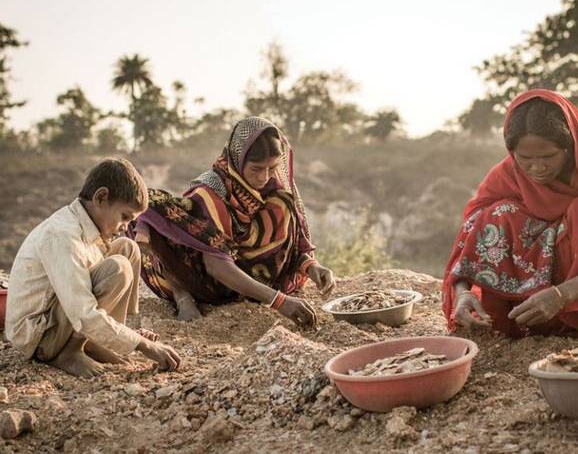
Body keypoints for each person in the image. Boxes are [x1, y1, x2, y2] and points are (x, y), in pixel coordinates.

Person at [443, 89, 578, 337]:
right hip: (527, 309)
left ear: (569, 147)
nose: (537, 168)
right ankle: (517, 319)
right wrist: (462, 292)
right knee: (497, 214)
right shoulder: (507, 175)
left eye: (548, 156)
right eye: (525, 158)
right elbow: (470, 239)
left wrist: (561, 295)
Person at [133, 116, 335, 325]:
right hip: (207, 276)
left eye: (272, 168)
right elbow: (216, 266)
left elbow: (292, 244)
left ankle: (253, 289)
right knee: (156, 218)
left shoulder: (274, 192)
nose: (264, 177)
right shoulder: (211, 192)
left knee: (283, 204)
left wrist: (312, 267)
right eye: (256, 169)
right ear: (238, 160)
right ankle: (181, 294)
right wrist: (279, 301)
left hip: (250, 273)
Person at [6, 158, 181, 378]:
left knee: (127, 248)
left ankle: (96, 342)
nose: (126, 226)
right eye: (124, 217)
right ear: (100, 197)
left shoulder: (88, 225)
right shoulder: (62, 235)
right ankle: (69, 352)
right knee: (118, 268)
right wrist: (143, 345)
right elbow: (82, 312)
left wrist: (128, 334)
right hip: (40, 335)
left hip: (63, 321)